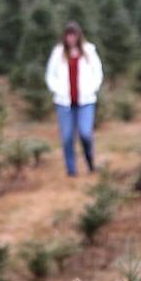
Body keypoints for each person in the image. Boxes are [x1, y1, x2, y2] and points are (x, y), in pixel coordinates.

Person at [45, 21, 104, 176]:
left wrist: (92, 88)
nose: (71, 38)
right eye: (68, 35)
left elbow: (98, 73)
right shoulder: (58, 53)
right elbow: (50, 75)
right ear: (64, 37)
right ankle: (71, 170)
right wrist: (58, 90)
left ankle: (90, 160)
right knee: (67, 137)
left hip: (86, 101)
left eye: (73, 35)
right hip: (64, 103)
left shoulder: (89, 51)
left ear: (78, 35)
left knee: (85, 133)